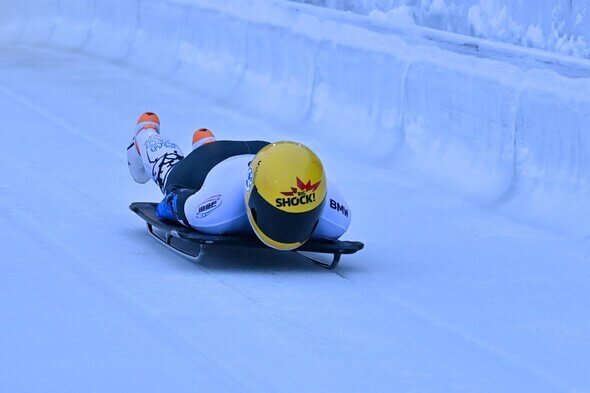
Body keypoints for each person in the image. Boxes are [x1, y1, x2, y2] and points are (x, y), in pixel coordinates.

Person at [127, 112, 351, 250]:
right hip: (209, 163)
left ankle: (207, 143)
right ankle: (145, 133)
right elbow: (172, 203)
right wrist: (173, 201)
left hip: (267, 154)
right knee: (171, 176)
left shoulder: (337, 215)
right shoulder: (210, 213)